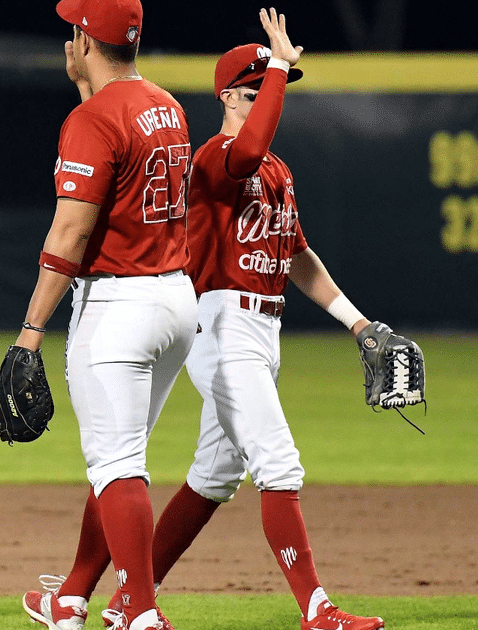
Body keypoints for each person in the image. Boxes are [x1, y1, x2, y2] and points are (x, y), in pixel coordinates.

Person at [100, 10, 385, 630]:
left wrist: (358, 324)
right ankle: (317, 609)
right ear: (228, 96)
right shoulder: (216, 158)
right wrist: (280, 63)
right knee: (279, 464)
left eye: (272, 92)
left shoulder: (278, 171)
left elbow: (298, 257)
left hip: (264, 326)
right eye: (255, 93)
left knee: (215, 473)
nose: (266, 104)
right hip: (221, 325)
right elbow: (249, 145)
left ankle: (128, 603)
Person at [13, 1, 196, 629]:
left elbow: (69, 231)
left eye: (73, 30)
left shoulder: (91, 118)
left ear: (85, 40)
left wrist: (30, 331)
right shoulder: (168, 104)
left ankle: (142, 614)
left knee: (118, 465)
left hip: (120, 303)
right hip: (176, 299)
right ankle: (70, 596)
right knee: (118, 458)